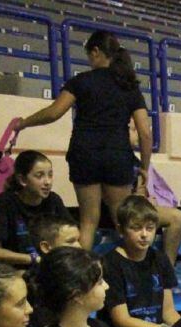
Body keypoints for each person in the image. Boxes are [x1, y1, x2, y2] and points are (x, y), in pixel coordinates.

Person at [15, 31, 152, 250]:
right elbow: (145, 133)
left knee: (88, 221)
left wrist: (24, 123)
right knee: (124, 220)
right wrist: (145, 167)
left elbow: (53, 113)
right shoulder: (128, 86)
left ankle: (82, 277)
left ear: (96, 52)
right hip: (117, 155)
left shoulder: (81, 81)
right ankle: (132, 271)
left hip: (84, 153)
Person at [102, 195, 179, 327]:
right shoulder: (111, 263)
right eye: (136, 228)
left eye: (149, 228)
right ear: (120, 229)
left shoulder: (159, 258)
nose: (144, 234)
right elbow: (122, 321)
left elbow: (169, 311)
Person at [0, 150, 73, 267]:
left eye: (50, 175)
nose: (48, 182)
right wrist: (34, 259)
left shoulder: (54, 200)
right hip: (16, 272)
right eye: (39, 175)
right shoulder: (5, 202)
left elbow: (73, 234)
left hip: (50, 269)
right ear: (22, 180)